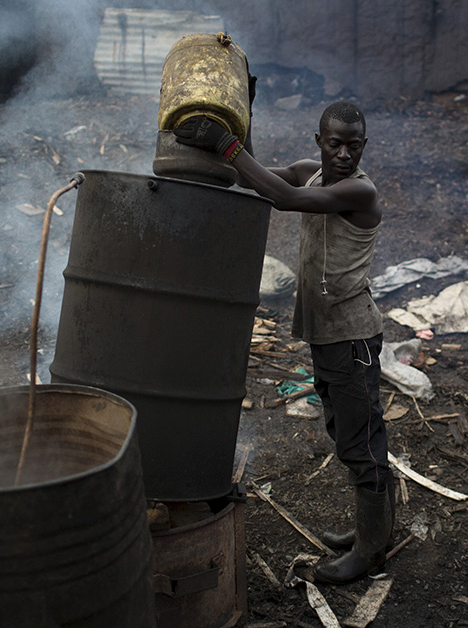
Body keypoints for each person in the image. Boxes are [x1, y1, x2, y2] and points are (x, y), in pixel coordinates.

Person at [173, 101, 393, 585]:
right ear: (318, 142)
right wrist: (234, 128)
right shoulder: (312, 172)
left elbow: (282, 198)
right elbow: (254, 178)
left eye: (353, 145)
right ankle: (368, 534)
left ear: (364, 147)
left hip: (351, 334)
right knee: (346, 433)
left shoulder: (360, 190)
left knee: (362, 444)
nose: (342, 153)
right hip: (328, 332)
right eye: (333, 143)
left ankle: (373, 551)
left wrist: (227, 144)